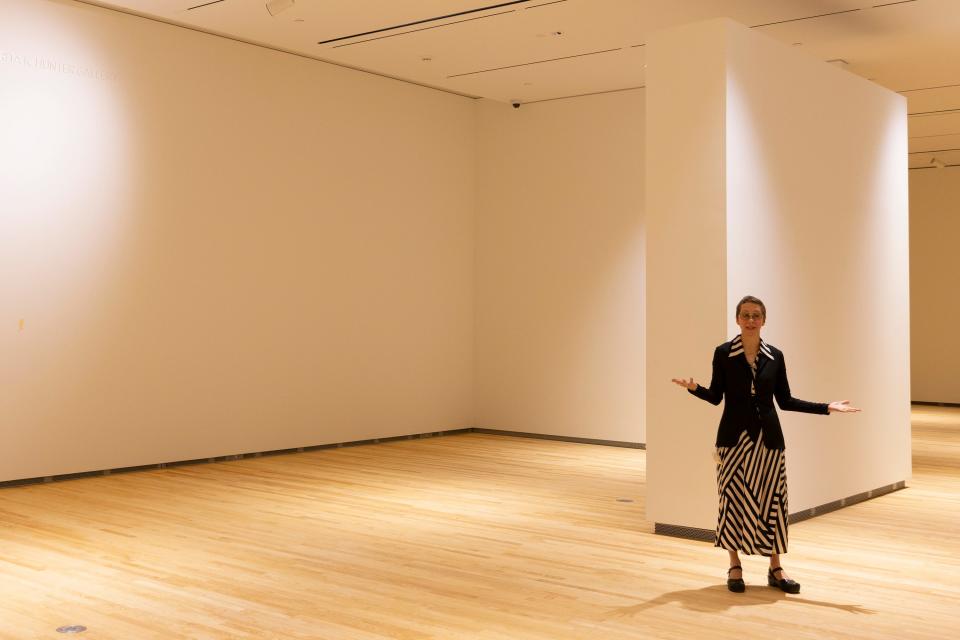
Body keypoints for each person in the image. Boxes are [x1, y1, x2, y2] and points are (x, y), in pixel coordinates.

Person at [671, 295, 860, 594]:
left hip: (769, 441)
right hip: (733, 440)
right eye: (745, 315)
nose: (750, 320)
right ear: (737, 319)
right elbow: (716, 397)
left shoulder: (776, 356)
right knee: (731, 499)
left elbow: (785, 401)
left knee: (774, 501)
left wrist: (826, 406)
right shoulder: (723, 353)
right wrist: (695, 389)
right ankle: (734, 565)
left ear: (763, 320)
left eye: (755, 315)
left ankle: (776, 567)